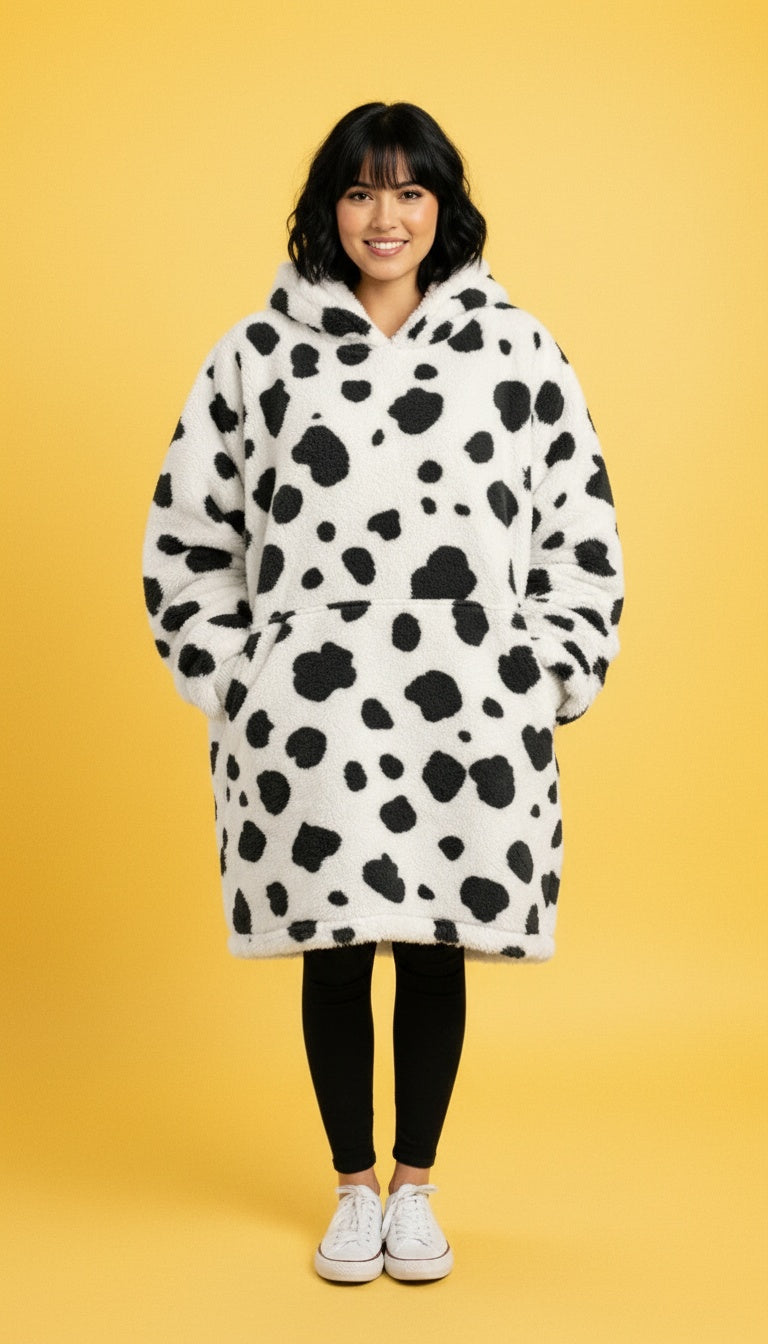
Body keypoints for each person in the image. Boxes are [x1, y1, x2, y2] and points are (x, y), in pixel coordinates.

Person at [141, 101, 624, 1284]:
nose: (385, 217)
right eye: (361, 191)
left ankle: (417, 1188)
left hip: (468, 713)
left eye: (410, 191)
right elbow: (189, 536)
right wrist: (238, 676)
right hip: (312, 718)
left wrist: (545, 671)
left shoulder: (516, 353)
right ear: (330, 207)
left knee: (439, 943)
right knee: (336, 947)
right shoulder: (256, 356)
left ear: (443, 206)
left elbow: (580, 527)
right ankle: (352, 1189)